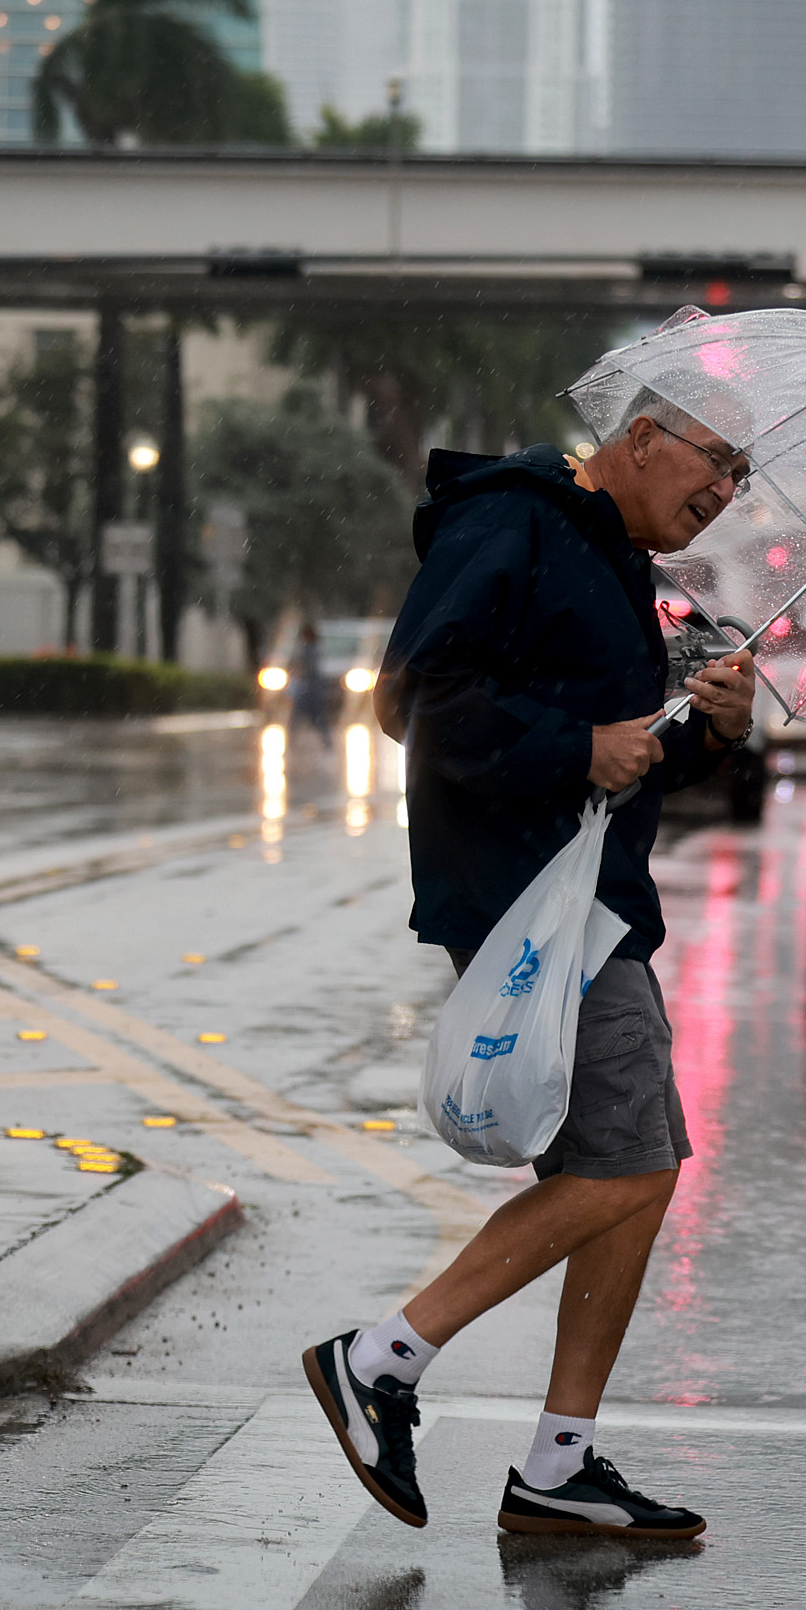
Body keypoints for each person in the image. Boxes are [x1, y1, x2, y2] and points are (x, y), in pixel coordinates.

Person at [305, 396, 754, 1541]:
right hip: (526, 903)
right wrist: (577, 745)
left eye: (742, 478)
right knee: (618, 1168)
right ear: (646, 433)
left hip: (589, 900)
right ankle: (379, 1360)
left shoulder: (613, 561)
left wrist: (710, 728)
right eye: (717, 462)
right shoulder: (514, 518)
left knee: (640, 1166)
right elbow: (413, 695)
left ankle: (559, 1464)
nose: (724, 494)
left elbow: (622, 761)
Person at [291, 619, 335, 745]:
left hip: (310, 690)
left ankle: (292, 743)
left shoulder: (309, 650)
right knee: (319, 719)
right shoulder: (314, 648)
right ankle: (327, 744)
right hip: (313, 690)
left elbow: (309, 669)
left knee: (301, 719)